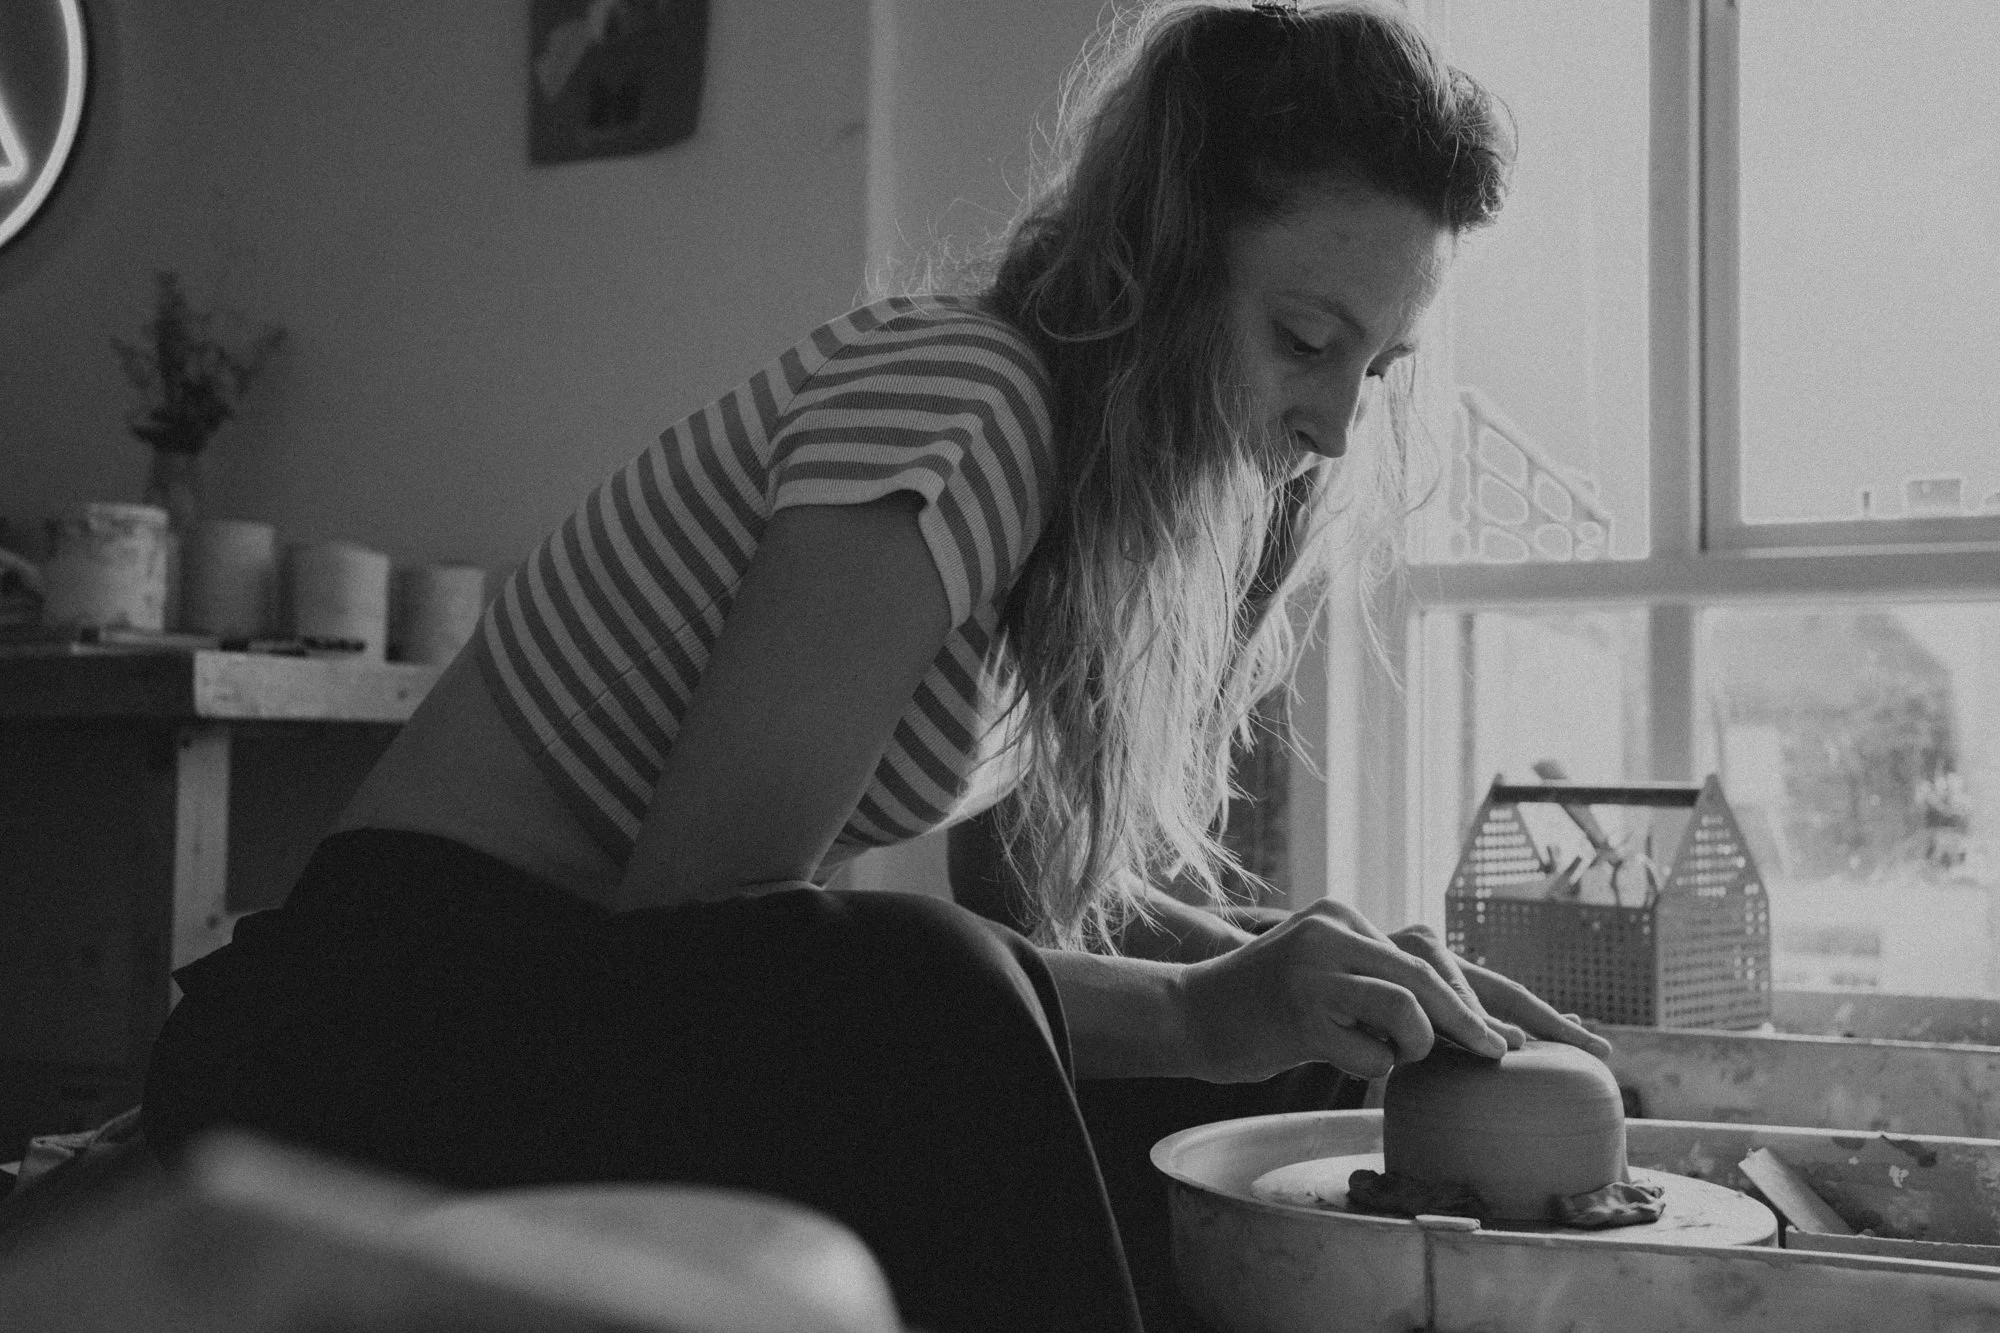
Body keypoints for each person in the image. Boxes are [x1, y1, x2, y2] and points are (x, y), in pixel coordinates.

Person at [143, 3, 1610, 1330]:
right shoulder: (959, 399)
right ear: (1162, 263)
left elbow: (1040, 918)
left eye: (1380, 366)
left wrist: (1298, 992)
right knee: (930, 988)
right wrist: (1188, 1011)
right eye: (1304, 339)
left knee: (1277, 1062)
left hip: (571, 1014)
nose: (1337, 427)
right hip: (378, 1019)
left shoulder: (1084, 515)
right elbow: (709, 941)